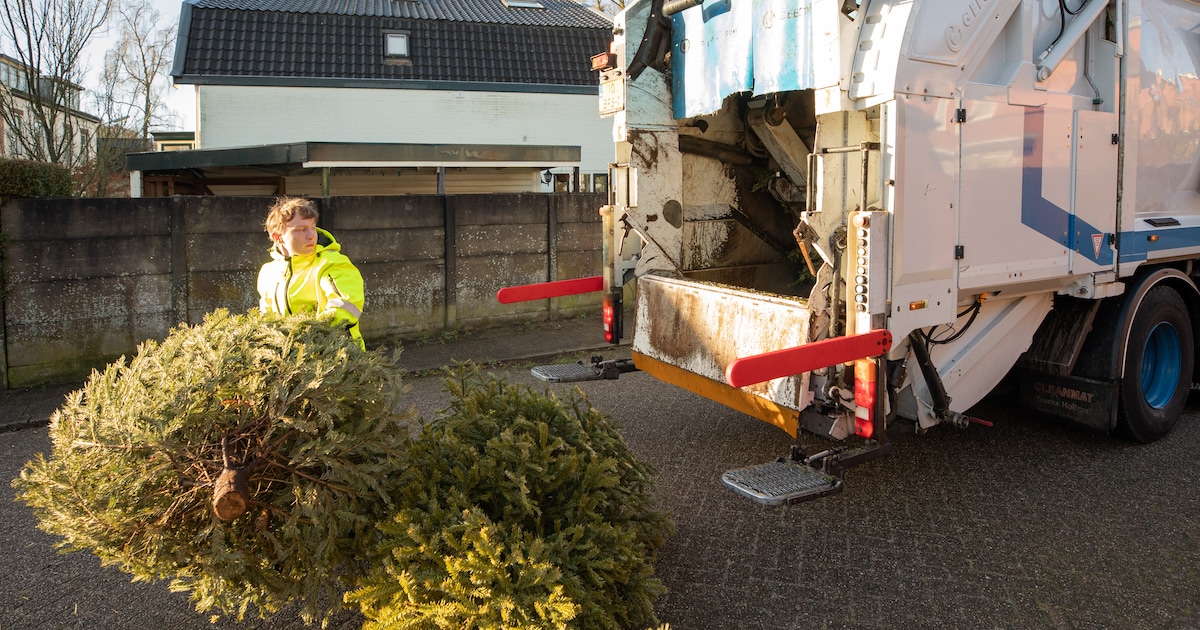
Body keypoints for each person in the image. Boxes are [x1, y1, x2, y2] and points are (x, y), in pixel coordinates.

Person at [257, 197, 366, 349]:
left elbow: (345, 308)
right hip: (290, 359)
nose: (311, 235)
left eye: (313, 227)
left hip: (337, 357)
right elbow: (266, 316)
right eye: (301, 230)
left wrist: (306, 337)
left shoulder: (332, 264)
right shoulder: (268, 272)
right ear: (277, 237)